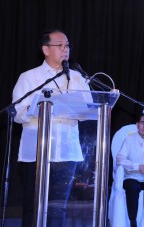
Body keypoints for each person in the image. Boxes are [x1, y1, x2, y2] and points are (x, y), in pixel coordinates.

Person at [12, 28, 91, 226]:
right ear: (46, 49)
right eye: (60, 45)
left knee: (58, 207)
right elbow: (18, 113)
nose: (66, 49)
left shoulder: (78, 77)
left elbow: (89, 108)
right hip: (36, 153)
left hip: (66, 152)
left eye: (67, 46)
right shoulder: (29, 77)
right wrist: (40, 108)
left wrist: (69, 107)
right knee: (33, 205)